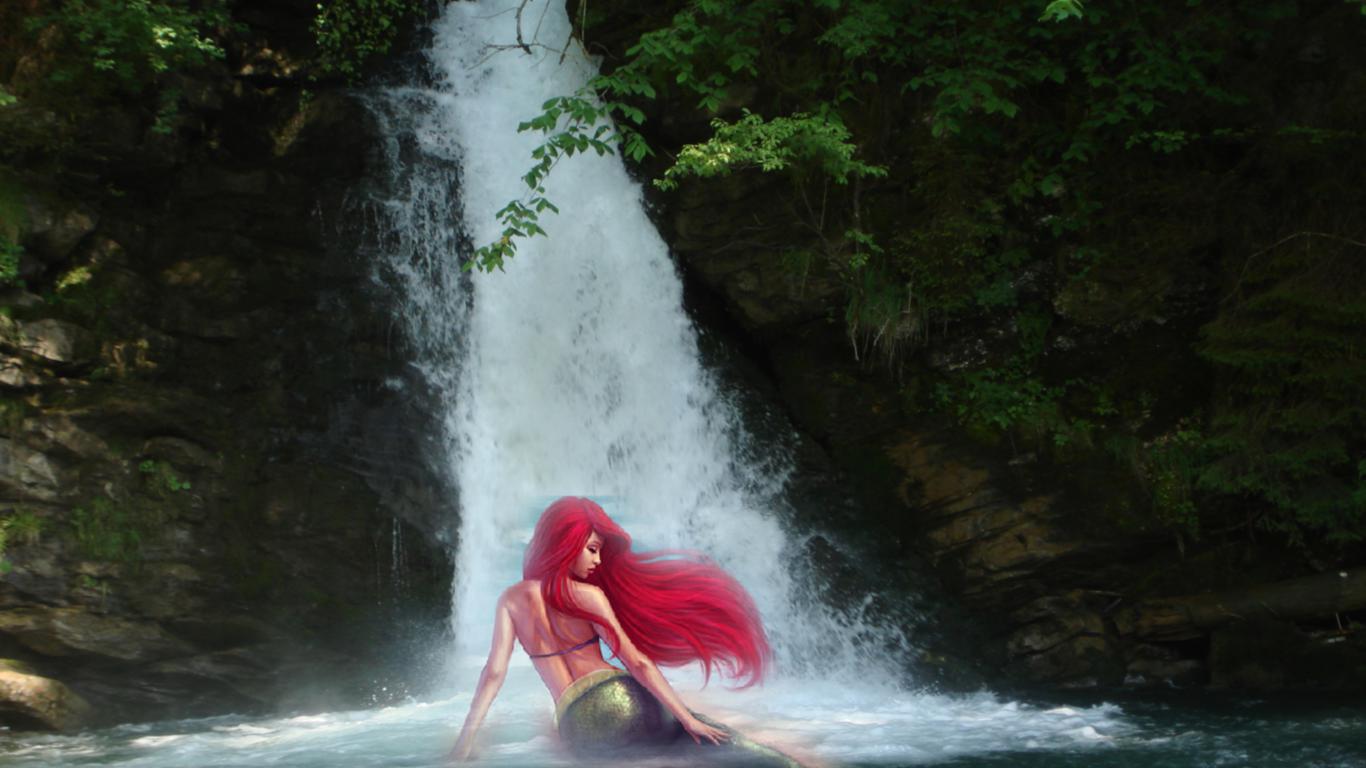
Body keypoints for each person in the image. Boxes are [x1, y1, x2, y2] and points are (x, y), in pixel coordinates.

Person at [446, 496, 802, 765]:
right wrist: (687, 719)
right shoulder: (588, 596)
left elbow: (494, 673)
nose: (598, 560)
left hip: (575, 727)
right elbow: (638, 663)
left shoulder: (510, 600)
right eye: (592, 549)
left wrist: (465, 743)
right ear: (565, 543)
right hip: (620, 699)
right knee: (719, 746)